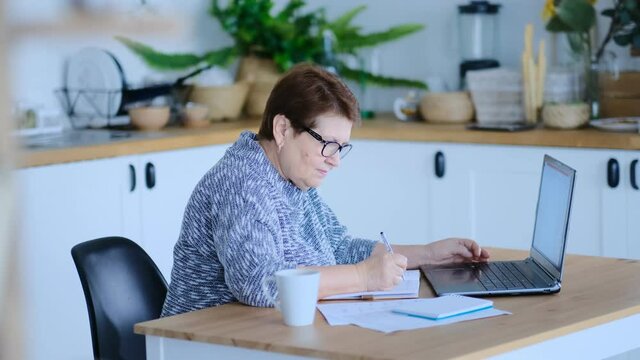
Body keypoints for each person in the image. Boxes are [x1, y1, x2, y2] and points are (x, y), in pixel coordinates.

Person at [161, 64, 489, 317]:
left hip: (263, 334)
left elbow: (338, 248)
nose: (335, 162)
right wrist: (362, 277)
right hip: (202, 342)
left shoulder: (293, 177)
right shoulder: (242, 181)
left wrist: (427, 255)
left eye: (341, 148)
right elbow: (259, 284)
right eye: (328, 145)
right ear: (283, 129)